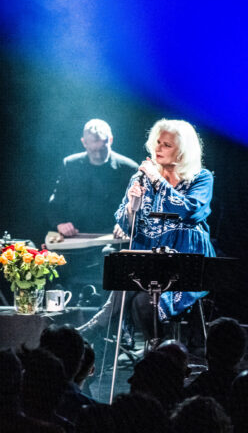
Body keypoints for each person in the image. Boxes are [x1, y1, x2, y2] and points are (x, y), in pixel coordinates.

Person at [79, 119, 215, 343]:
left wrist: (157, 179)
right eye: (158, 142)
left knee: (141, 299)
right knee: (131, 288)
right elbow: (126, 225)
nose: (158, 148)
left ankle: (101, 330)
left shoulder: (200, 178)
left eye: (167, 145)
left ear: (182, 151)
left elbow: (189, 211)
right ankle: (159, 350)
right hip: (150, 262)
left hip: (186, 263)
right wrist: (133, 207)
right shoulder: (141, 178)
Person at [48, 119, 138, 238]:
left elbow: (138, 207)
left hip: (113, 238)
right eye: (93, 150)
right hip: (76, 236)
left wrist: (126, 223)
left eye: (102, 149)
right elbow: (56, 202)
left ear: (110, 140)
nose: (98, 155)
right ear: (84, 143)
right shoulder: (70, 164)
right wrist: (60, 223)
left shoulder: (129, 168)